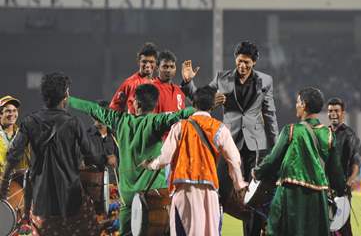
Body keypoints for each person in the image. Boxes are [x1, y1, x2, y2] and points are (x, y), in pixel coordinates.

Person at [68, 83, 195, 235]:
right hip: (153, 195)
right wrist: (200, 107)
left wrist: (68, 99)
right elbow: (183, 114)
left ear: (137, 103)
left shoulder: (119, 120)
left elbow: (92, 108)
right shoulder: (156, 121)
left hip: (127, 197)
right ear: (155, 104)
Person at [181, 41, 279, 235]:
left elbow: (270, 115)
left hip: (255, 147)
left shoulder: (265, 81)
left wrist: (275, 149)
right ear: (235, 58)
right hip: (228, 143)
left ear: (254, 63)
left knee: (253, 197)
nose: (242, 66)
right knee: (217, 191)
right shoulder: (222, 78)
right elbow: (201, 99)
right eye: (240, 61)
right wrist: (188, 83)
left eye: (247, 63)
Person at [0, 73, 103, 235]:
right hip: (73, 203)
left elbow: (12, 157)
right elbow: (92, 155)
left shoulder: (29, 122)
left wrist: (4, 186)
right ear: (65, 96)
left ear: (44, 96)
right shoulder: (74, 123)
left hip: (42, 206)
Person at [142, 86, 248, 236]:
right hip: (209, 191)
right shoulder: (220, 129)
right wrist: (239, 185)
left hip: (183, 191)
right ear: (212, 106)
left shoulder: (179, 127)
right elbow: (234, 160)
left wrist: (150, 164)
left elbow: (164, 158)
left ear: (194, 105)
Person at [252, 87, 345, 236]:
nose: (296, 105)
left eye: (297, 102)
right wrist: (341, 189)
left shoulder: (291, 130)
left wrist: (256, 172)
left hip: (290, 195)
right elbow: (336, 172)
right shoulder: (328, 135)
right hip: (318, 198)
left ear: (304, 104)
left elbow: (272, 161)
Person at [327, 97, 360, 236]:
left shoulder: (349, 135)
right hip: (324, 186)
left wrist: (350, 180)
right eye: (330, 111)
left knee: (343, 225)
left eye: (336, 110)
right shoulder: (323, 132)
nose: (333, 113)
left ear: (343, 113)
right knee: (325, 224)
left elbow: (355, 161)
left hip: (341, 187)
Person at [110, 42, 160, 114]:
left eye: (151, 62)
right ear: (139, 62)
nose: (148, 65)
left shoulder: (157, 84)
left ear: (156, 63)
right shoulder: (130, 83)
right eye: (144, 62)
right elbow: (114, 108)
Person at [0, 95, 29, 175]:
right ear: (0, 114)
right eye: (8, 111)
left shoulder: (23, 135)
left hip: (19, 184)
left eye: (14, 110)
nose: (12, 114)